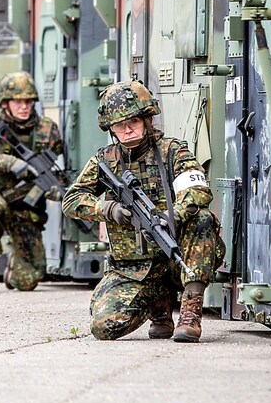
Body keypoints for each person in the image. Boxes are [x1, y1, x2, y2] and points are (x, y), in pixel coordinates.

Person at [62, 80, 225, 342]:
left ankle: (189, 314)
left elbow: (198, 190)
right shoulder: (105, 160)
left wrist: (175, 214)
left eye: (133, 123)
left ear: (147, 119)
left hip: (175, 258)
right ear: (111, 129)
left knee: (203, 219)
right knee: (104, 327)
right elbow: (71, 200)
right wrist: (108, 208)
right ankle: (158, 308)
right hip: (133, 268)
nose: (127, 131)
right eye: (119, 126)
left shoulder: (172, 152)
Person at [0, 71, 63, 293]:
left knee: (28, 282)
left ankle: (14, 270)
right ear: (5, 102)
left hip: (26, 206)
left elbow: (54, 168)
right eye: (18, 101)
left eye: (28, 101)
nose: (24, 106)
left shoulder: (47, 129)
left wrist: (56, 188)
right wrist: (7, 162)